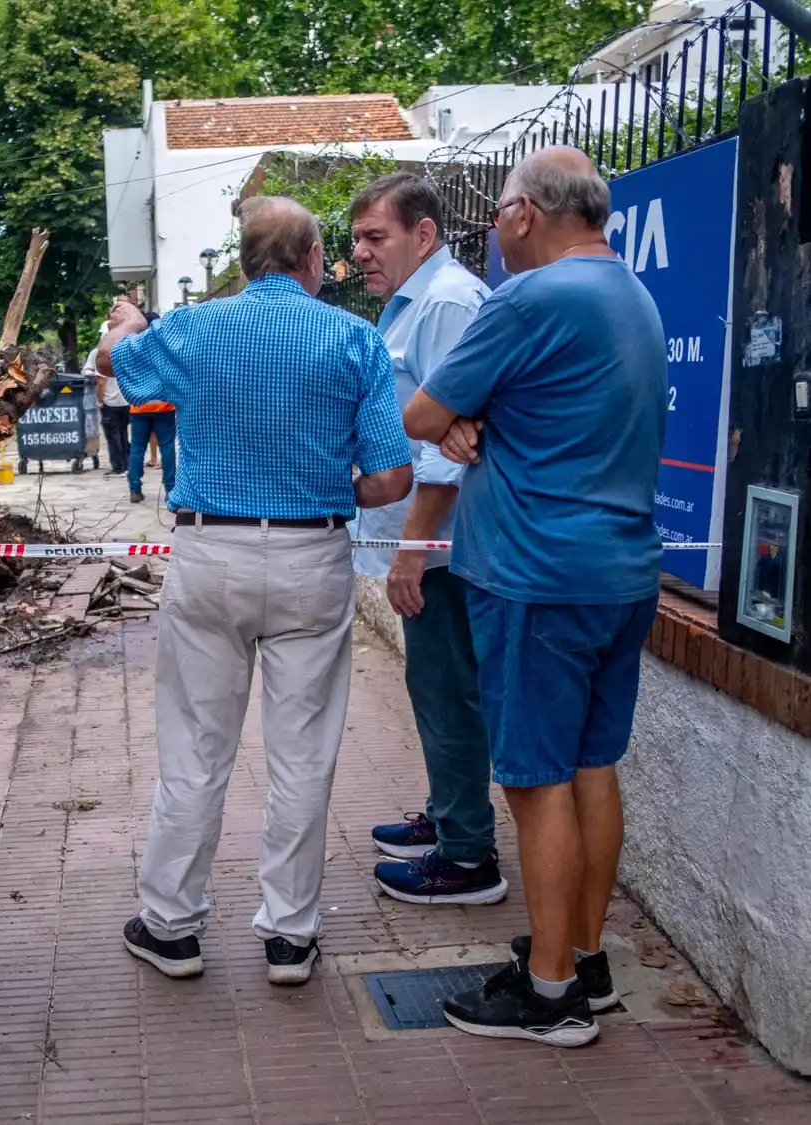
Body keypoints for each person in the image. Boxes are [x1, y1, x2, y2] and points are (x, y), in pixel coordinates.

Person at [99, 196, 412, 986]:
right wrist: (328, 488)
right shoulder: (353, 338)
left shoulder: (197, 329)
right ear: (312, 260)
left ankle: (171, 924)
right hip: (312, 555)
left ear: (245, 263)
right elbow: (393, 476)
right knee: (303, 754)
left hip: (210, 550)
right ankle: (290, 934)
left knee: (195, 751)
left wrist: (126, 321)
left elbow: (114, 366)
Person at [405, 147, 667, 1047]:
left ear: (524, 214)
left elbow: (421, 415)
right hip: (621, 574)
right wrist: (486, 417)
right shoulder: (632, 295)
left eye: (500, 217)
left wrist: (469, 417)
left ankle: (550, 993)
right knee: (592, 768)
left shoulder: (530, 297)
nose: (497, 236)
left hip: (535, 577)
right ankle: (583, 955)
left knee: (533, 781)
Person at [348, 172, 505, 907]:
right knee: (435, 683)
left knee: (448, 690)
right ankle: (451, 817)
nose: (361, 255)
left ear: (425, 233)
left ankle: (469, 855)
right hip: (420, 539)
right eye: (354, 241)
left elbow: (447, 449)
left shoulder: (445, 304)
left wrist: (412, 550)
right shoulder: (413, 304)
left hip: (438, 543)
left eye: (375, 237)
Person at [126, 311, 175, 504]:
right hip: (164, 406)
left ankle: (135, 489)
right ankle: (171, 489)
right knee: (168, 448)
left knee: (137, 448)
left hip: (139, 407)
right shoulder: (165, 346)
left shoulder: (135, 346)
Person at [86, 322, 130, 475]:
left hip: (109, 402)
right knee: (123, 434)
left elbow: (99, 382)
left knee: (113, 436)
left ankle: (118, 467)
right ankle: (127, 464)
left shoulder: (101, 354)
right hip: (125, 401)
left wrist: (99, 401)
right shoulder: (124, 351)